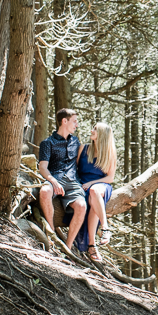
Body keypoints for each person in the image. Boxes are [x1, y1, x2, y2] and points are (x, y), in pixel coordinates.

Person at [37, 108, 88, 252]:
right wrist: (53, 181)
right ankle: (51, 234)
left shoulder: (76, 141)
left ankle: (68, 246)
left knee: (81, 206)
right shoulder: (48, 143)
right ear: (64, 121)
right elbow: (43, 168)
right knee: (45, 191)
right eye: (74, 121)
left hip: (73, 181)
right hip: (55, 178)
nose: (76, 125)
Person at [77, 121, 117, 262]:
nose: (92, 130)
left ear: (103, 135)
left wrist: (91, 183)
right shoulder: (83, 149)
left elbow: (110, 178)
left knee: (94, 192)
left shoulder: (110, 154)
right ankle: (92, 246)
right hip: (82, 185)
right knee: (93, 200)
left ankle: (105, 228)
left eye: (95, 129)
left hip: (101, 185)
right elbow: (74, 170)